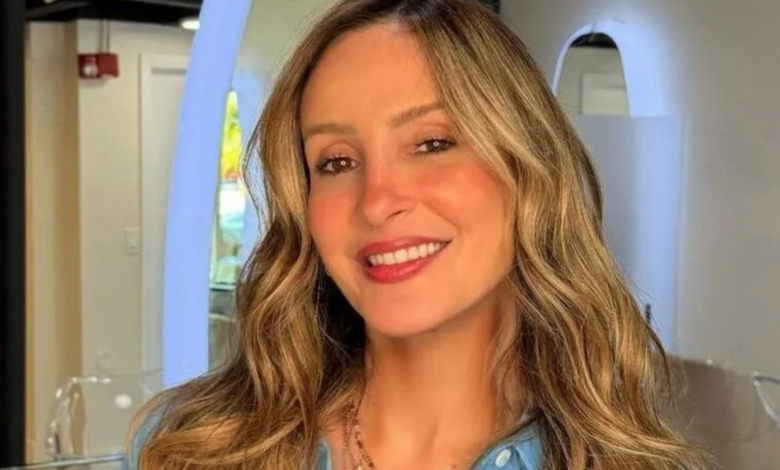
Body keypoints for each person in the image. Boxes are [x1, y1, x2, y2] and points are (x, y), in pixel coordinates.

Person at [124, 0, 704, 469]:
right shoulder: (187, 451)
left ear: (529, 169)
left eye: (432, 144)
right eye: (336, 161)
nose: (377, 202)